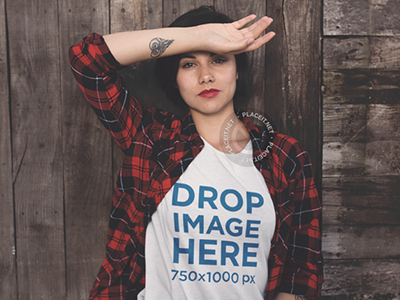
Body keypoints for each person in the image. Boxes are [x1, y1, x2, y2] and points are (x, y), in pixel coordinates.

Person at [69, 5, 323, 300]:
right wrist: (199, 36)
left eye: (218, 60)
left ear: (238, 70)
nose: (206, 76)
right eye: (188, 64)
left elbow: (302, 269)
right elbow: (86, 61)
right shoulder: (152, 139)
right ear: (174, 78)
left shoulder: (284, 155)